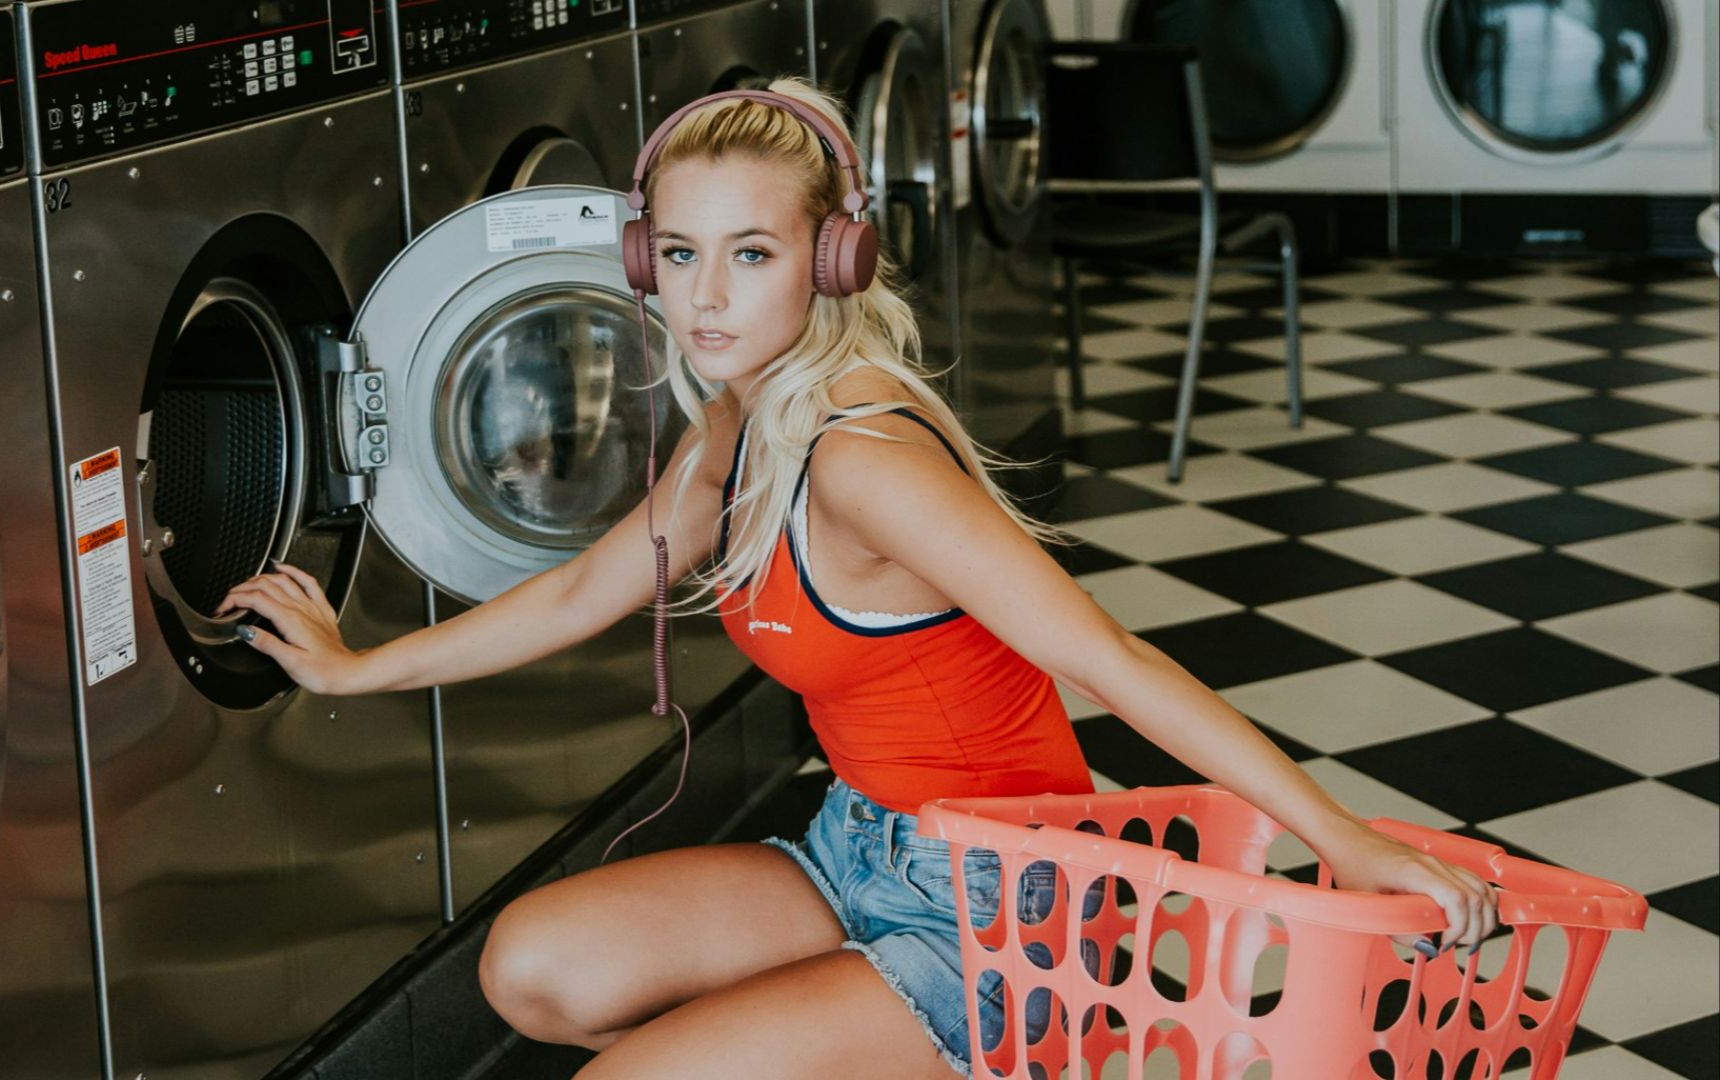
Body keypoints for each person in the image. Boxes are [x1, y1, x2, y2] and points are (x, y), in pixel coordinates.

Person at [216, 78, 1499, 1080]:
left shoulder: (864, 459)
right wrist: (355, 665)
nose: (704, 298)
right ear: (637, 257)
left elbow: (1111, 662)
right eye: (676, 255)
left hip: (1004, 909)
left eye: (752, 256)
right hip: (859, 849)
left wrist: (1352, 845)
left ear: (833, 259)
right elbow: (588, 587)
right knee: (532, 971)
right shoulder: (736, 413)